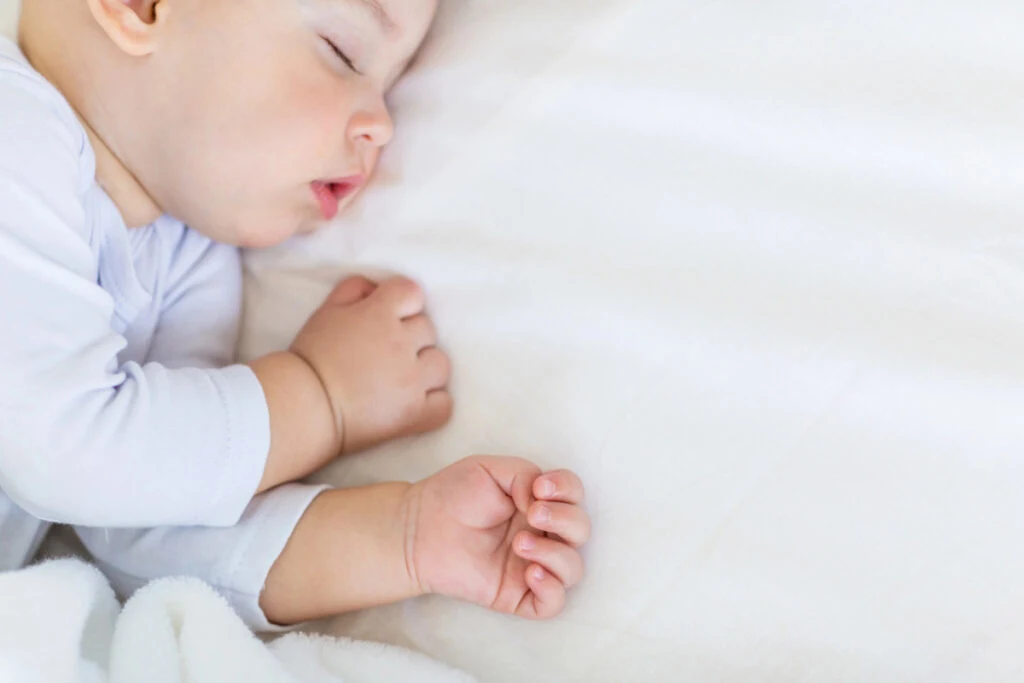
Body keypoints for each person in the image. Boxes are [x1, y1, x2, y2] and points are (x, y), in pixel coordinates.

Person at [0, 0, 590, 629]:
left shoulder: (186, 255)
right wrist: (319, 397)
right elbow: (64, 447)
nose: (383, 125)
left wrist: (403, 537)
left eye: (390, 84)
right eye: (343, 51)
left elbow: (147, 518)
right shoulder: (17, 126)